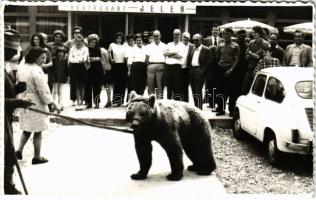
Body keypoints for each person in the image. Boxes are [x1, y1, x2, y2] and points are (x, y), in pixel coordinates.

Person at [16, 47, 60, 165]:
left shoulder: (22, 67)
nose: (44, 61)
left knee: (27, 128)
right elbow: (43, 90)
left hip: (24, 100)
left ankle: (19, 150)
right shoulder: (36, 70)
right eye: (42, 58)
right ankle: (37, 156)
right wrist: (53, 103)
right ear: (35, 57)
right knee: (38, 130)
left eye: (45, 58)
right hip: (36, 102)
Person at [4, 29, 34, 195]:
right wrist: (18, 101)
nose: (17, 53)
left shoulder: (6, 66)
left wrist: (16, 89)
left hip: (6, 118)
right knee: (7, 152)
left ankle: (7, 184)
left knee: (9, 153)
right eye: (14, 50)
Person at [215, 28, 240, 116]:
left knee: (232, 91)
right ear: (222, 35)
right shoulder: (220, 45)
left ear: (231, 35)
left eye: (228, 34)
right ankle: (221, 109)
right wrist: (219, 68)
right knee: (220, 90)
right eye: (225, 34)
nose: (226, 36)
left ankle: (231, 110)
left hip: (231, 70)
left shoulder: (235, 46)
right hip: (221, 69)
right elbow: (217, 57)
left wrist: (231, 69)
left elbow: (237, 59)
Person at [241, 26, 269, 95]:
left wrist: (250, 53)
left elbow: (258, 57)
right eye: (252, 33)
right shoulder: (251, 42)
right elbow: (246, 57)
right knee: (245, 87)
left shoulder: (265, 43)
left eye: (254, 33)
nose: (252, 34)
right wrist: (252, 54)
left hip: (260, 68)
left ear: (259, 33)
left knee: (257, 88)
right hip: (250, 67)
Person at [187, 33, 212, 109]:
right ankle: (195, 108)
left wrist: (203, 70)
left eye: (197, 40)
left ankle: (199, 109)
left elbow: (209, 62)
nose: (195, 41)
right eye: (193, 40)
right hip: (192, 71)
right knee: (193, 91)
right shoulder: (192, 48)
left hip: (199, 71)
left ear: (201, 40)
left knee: (198, 91)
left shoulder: (206, 49)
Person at [68, 34, 90, 109]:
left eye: (80, 41)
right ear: (75, 41)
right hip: (74, 68)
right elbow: (70, 59)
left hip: (82, 67)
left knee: (82, 85)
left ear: (82, 41)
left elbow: (84, 58)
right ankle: (78, 101)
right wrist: (78, 59)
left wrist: (76, 59)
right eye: (77, 41)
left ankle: (81, 101)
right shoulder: (72, 49)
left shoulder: (85, 49)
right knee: (76, 85)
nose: (78, 42)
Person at [164, 29, 186, 101]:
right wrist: (175, 52)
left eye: (177, 34)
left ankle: (177, 103)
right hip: (168, 67)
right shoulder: (169, 44)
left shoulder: (182, 45)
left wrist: (170, 54)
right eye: (174, 34)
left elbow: (180, 56)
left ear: (180, 35)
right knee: (169, 87)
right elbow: (165, 53)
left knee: (177, 86)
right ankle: (168, 102)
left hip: (177, 67)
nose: (176, 36)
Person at [65, 26, 85, 105]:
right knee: (73, 83)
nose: (77, 34)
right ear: (73, 34)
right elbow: (63, 49)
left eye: (78, 32)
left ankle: (82, 99)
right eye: (75, 32)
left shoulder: (84, 41)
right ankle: (74, 99)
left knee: (82, 84)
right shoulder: (69, 42)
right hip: (73, 64)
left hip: (81, 65)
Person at [145, 30, 166, 99]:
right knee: (150, 85)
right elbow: (147, 58)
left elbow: (166, 57)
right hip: (151, 66)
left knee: (160, 85)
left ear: (160, 36)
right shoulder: (149, 46)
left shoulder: (164, 46)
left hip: (161, 66)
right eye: (154, 36)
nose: (156, 37)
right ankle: (151, 101)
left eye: (157, 36)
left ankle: (160, 101)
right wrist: (149, 66)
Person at [108, 32, 127, 106]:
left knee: (122, 84)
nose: (119, 39)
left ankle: (121, 101)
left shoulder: (124, 45)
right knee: (116, 84)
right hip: (115, 66)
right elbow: (109, 52)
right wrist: (111, 59)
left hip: (123, 65)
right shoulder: (112, 45)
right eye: (117, 38)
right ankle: (115, 101)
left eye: (120, 38)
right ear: (115, 38)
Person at [86, 34, 104, 109]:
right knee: (88, 86)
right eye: (91, 42)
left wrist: (91, 58)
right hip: (88, 69)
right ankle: (88, 103)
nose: (92, 43)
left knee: (97, 87)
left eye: (94, 42)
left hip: (97, 70)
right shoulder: (86, 49)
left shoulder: (98, 49)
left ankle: (97, 103)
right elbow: (85, 58)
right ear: (89, 42)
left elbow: (98, 58)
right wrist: (93, 58)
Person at [52, 46, 69, 110]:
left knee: (60, 92)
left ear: (64, 53)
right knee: (55, 91)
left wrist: (67, 76)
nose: (60, 54)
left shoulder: (65, 60)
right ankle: (54, 105)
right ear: (57, 53)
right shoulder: (54, 59)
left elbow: (67, 69)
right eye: (59, 52)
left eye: (62, 52)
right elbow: (52, 69)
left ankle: (60, 105)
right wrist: (52, 77)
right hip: (55, 77)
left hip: (62, 77)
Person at [181, 32, 194, 102]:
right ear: (182, 37)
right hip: (179, 68)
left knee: (186, 86)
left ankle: (186, 101)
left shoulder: (192, 46)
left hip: (187, 68)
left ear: (189, 38)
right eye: (184, 37)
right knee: (178, 86)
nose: (186, 38)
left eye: (187, 37)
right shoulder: (179, 45)